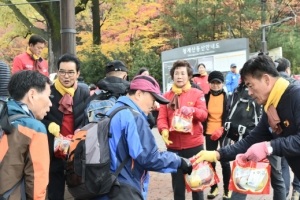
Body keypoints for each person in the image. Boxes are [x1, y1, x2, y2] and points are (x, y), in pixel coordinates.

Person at [195, 55, 300, 198]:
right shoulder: (271, 106)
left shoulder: (296, 96)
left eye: (250, 85)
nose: (249, 92)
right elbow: (251, 140)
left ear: (266, 80)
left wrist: (269, 147)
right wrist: (217, 154)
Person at [92, 75, 193, 200]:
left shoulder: (114, 110)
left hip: (106, 186)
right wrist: (178, 161)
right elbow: (148, 157)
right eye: (153, 98)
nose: (155, 105)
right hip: (123, 189)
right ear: (139, 94)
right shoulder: (134, 118)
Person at [157, 60, 208, 200]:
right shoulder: (166, 97)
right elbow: (161, 118)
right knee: (178, 187)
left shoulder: (197, 93)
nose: (179, 76)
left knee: (197, 184)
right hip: (174, 147)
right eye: (176, 73)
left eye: (183, 73)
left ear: (189, 76)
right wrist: (163, 130)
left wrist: (193, 110)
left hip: (194, 145)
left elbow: (203, 115)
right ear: (172, 75)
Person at [41, 54, 90, 200]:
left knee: (80, 188)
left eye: (70, 72)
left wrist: (80, 131)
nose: (66, 76)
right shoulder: (47, 92)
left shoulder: (84, 92)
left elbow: (88, 117)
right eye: (62, 72)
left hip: (76, 148)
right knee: (55, 190)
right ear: (57, 72)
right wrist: (49, 125)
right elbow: (37, 117)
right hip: (53, 149)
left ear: (78, 73)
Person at [0, 70, 52, 199]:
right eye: (48, 97)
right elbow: (37, 181)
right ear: (32, 95)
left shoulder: (4, 115)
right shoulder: (34, 128)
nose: (50, 104)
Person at [202, 71, 232, 199]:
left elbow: (231, 116)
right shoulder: (205, 97)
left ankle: (227, 189)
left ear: (222, 83)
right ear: (209, 83)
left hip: (223, 132)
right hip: (209, 132)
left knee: (224, 161)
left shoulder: (228, 97)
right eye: (213, 83)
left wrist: (222, 129)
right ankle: (213, 188)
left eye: (218, 83)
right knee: (211, 161)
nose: (215, 85)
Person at [275, 57, 300, 199]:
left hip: (279, 136)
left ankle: (283, 193)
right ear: (287, 69)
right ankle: (296, 190)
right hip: (294, 139)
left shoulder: (273, 90)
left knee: (283, 165)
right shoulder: (296, 86)